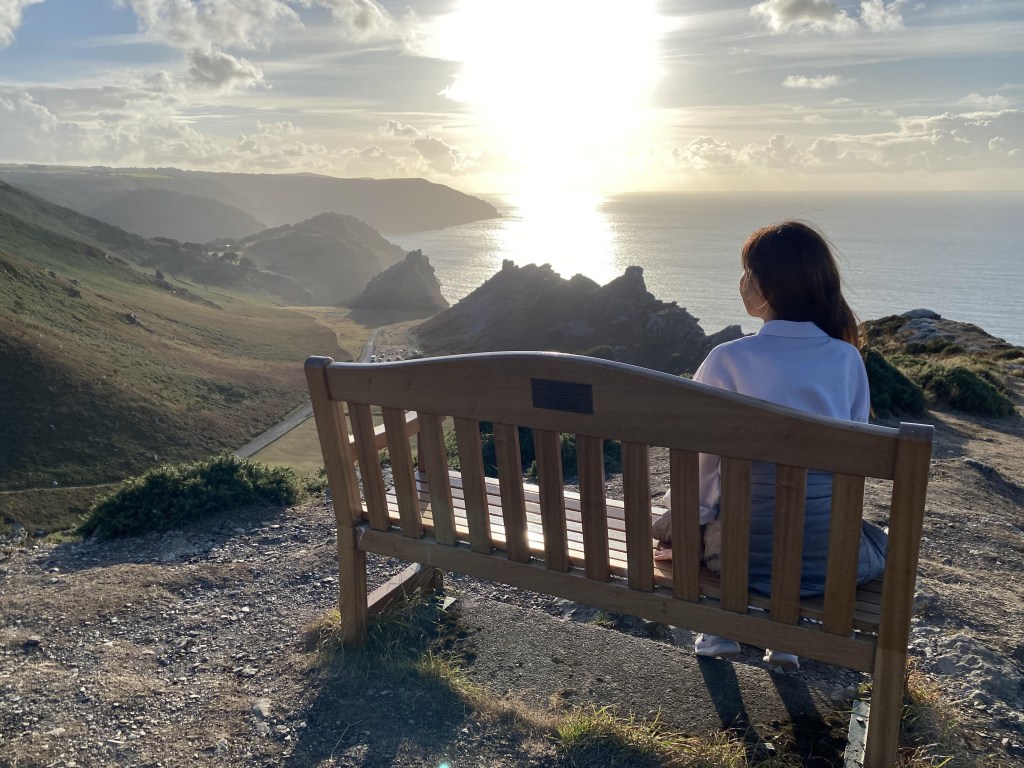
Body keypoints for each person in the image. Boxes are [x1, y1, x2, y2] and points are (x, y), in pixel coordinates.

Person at [651, 220, 888, 671]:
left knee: (708, 519)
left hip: (735, 559)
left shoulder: (728, 359)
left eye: (748, 272)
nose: (742, 282)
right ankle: (783, 636)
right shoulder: (846, 359)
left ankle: (720, 628)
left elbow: (699, 464)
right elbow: (851, 461)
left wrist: (687, 529)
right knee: (867, 537)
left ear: (769, 287)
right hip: (828, 562)